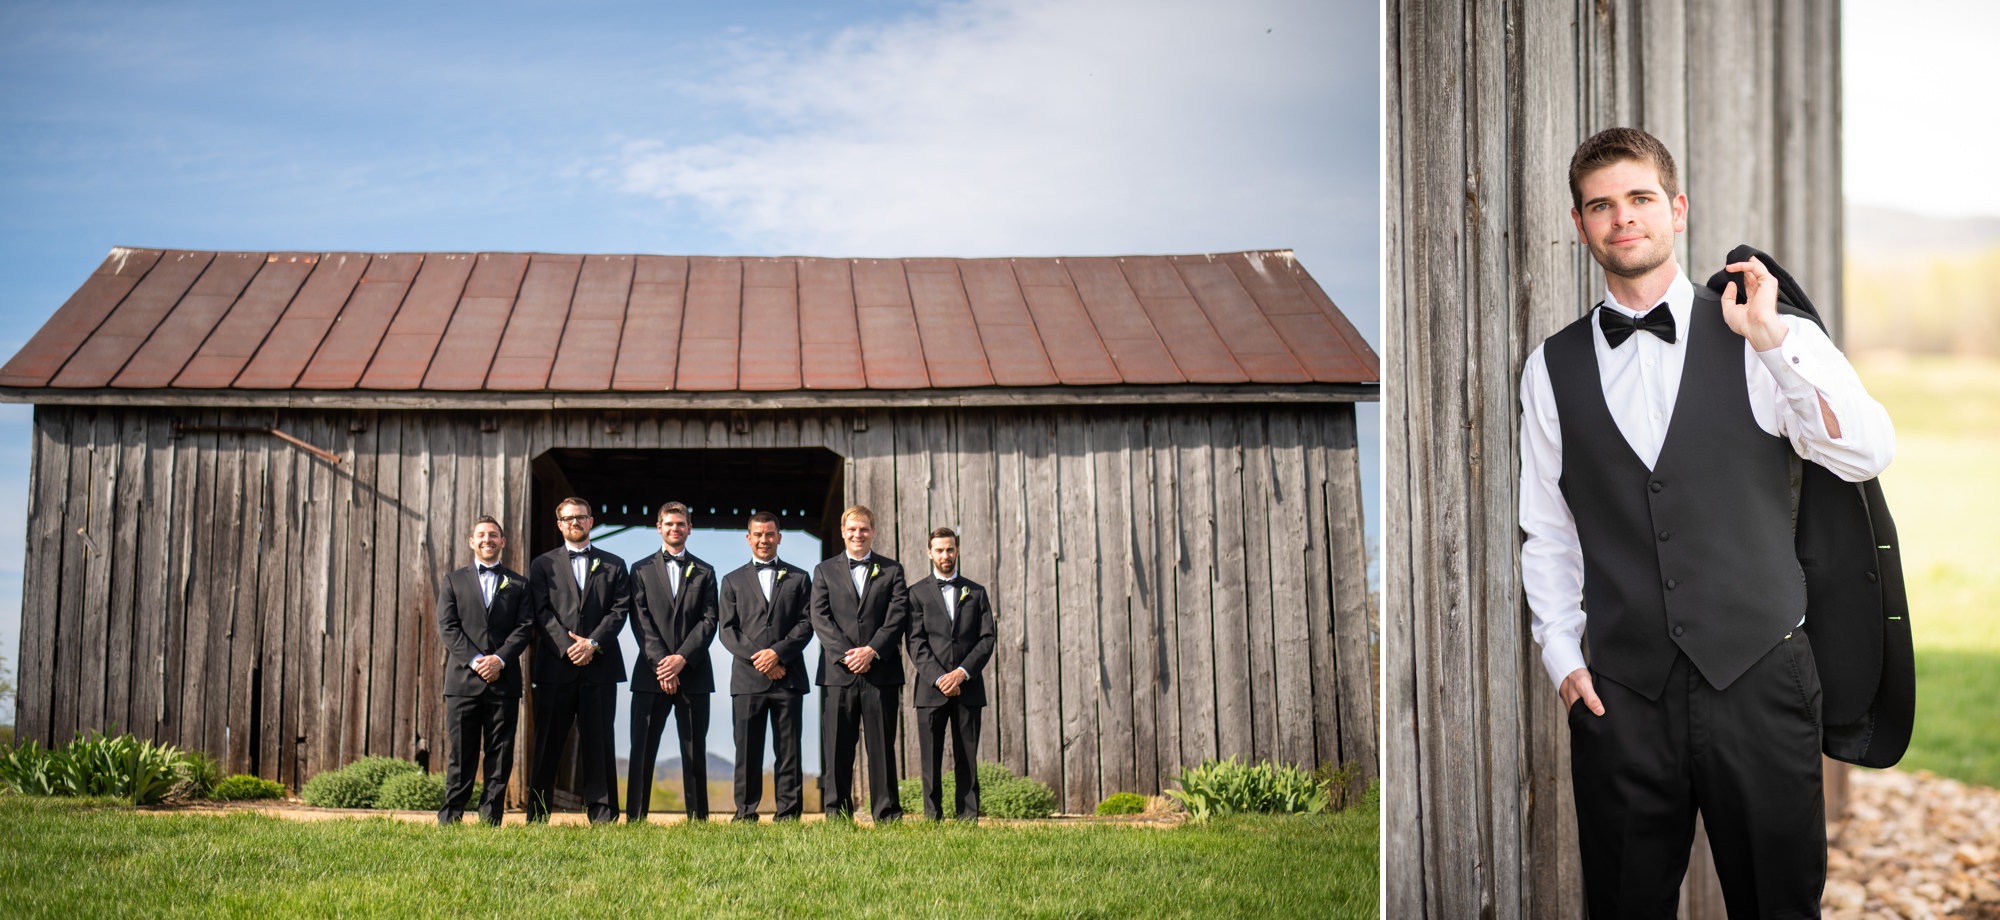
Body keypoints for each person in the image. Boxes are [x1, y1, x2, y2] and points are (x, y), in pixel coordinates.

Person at [1519, 126, 1894, 916]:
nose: (1624, 218)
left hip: (1761, 683)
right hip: (1621, 699)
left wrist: (1775, 342)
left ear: (1677, 209)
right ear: (1581, 224)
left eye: (1641, 199)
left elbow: (1865, 452)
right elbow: (1548, 528)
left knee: (1779, 905)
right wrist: (1562, 655)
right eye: (1601, 205)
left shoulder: (1762, 333)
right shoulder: (1549, 367)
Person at [525, 496, 631, 824]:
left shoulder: (614, 564)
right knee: (547, 744)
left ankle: (603, 816)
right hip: (556, 667)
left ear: (590, 521)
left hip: (600, 667)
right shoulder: (542, 565)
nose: (575, 522)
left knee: (599, 742)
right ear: (559, 524)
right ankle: (538, 815)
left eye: (581, 517)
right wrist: (568, 646)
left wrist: (593, 643)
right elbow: (540, 611)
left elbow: (620, 608)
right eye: (568, 518)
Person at [808, 504, 910, 822]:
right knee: (838, 748)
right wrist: (849, 654)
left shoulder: (893, 571)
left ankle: (887, 813)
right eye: (852, 529)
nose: (858, 534)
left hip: (881, 671)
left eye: (863, 529)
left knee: (880, 746)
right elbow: (819, 617)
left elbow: (897, 617)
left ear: (873, 532)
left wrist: (872, 651)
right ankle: (837, 814)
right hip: (839, 673)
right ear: (842, 532)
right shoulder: (824, 571)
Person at [434, 514, 532, 826]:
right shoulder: (453, 581)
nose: (487, 539)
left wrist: (499, 659)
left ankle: (491, 819)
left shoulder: (519, 583)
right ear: (471, 541)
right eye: (481, 535)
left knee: (500, 754)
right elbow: (448, 628)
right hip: (463, 682)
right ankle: (451, 817)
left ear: (503, 542)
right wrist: (478, 661)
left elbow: (525, 627)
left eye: (493, 535)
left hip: (503, 682)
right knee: (461, 754)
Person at [715, 511, 814, 821]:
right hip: (747, 680)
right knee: (747, 751)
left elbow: (807, 622)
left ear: (779, 537)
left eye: (769, 534)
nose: (763, 539)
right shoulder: (731, 580)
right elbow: (727, 630)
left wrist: (778, 654)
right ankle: (745, 813)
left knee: (789, 751)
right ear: (748, 538)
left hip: (788, 677)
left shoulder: (799, 578)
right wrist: (762, 659)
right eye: (757, 534)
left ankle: (789, 814)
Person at [625, 502, 718, 823]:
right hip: (650, 675)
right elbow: (640, 619)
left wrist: (682, 659)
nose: (675, 529)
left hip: (693, 673)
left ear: (689, 528)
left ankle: (698, 819)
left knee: (694, 750)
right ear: (659, 527)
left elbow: (709, 620)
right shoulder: (639, 570)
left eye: (680, 524)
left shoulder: (705, 571)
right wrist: (662, 663)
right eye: (669, 524)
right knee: (642, 750)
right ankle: (635, 818)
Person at [904, 527, 996, 822]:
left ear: (957, 551)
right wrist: (940, 678)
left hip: (968, 687)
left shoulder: (977, 592)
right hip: (931, 690)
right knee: (930, 758)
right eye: (940, 550)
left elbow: (987, 639)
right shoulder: (916, 593)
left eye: (950, 549)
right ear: (929, 553)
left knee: (967, 756)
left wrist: (961, 673)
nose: (946, 555)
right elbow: (915, 641)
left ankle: (968, 818)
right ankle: (933, 817)